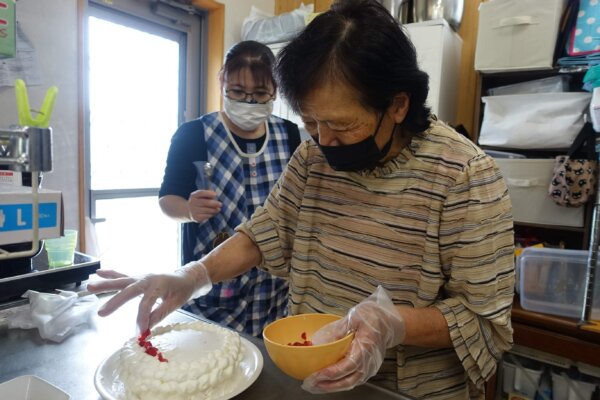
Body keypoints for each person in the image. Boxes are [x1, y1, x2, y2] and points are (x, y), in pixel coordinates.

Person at [88, 1, 515, 398]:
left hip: (402, 390)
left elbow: (483, 320)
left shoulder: (465, 176)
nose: (324, 140)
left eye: (341, 125)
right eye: (310, 122)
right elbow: (265, 232)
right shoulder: (312, 156)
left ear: (398, 104)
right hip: (307, 374)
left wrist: (392, 323)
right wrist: (193, 275)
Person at [157, 40, 301, 337]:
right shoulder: (193, 135)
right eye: (237, 92)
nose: (248, 103)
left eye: (260, 94)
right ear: (222, 79)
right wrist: (187, 210)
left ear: (275, 90)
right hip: (213, 287)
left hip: (274, 289)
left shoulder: (288, 135)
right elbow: (167, 199)